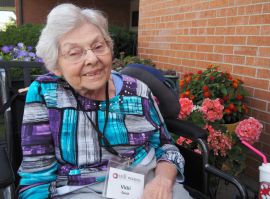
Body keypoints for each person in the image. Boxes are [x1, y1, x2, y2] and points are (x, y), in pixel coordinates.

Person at [18, 3, 191, 199]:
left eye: (98, 46)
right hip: (81, 190)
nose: (92, 58)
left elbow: (165, 146)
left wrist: (163, 181)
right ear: (56, 66)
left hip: (148, 180)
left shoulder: (137, 90)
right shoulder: (46, 93)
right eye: (74, 53)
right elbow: (36, 177)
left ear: (109, 47)